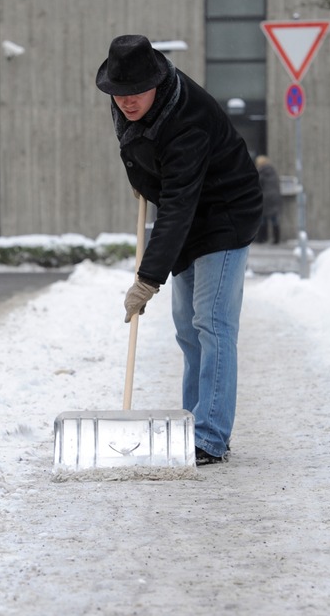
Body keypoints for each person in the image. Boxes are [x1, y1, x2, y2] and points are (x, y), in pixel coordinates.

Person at [96, 34, 262, 465]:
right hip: (189, 213)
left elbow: (178, 205)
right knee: (188, 329)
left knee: (212, 323)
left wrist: (147, 279)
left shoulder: (187, 120)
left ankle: (209, 436)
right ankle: (193, 422)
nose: (126, 101)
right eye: (119, 93)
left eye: (135, 92)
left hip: (224, 213)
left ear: (155, 82)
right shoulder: (134, 105)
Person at [254, 155, 283, 244]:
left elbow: (258, 184)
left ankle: (262, 238)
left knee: (263, 218)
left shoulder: (261, 172)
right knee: (274, 219)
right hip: (275, 197)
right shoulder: (272, 171)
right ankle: (276, 239)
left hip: (265, 198)